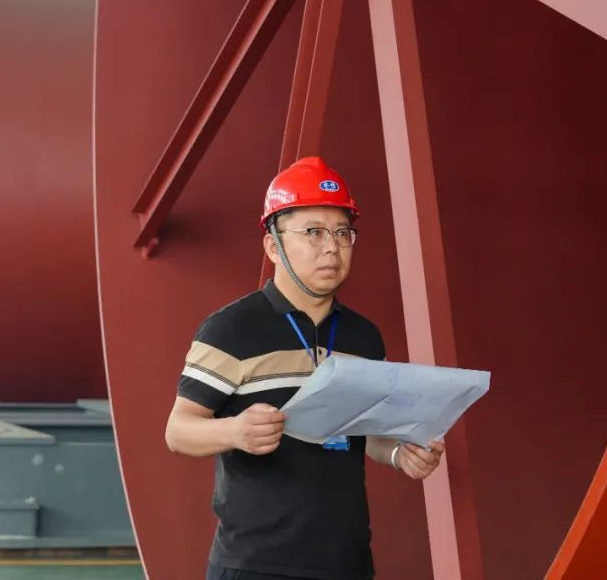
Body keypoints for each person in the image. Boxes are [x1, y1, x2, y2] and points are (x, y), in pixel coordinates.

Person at [165, 156, 445, 580]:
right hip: (255, 564)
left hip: (347, 561)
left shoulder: (363, 338)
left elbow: (365, 433)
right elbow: (178, 431)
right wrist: (236, 431)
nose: (332, 247)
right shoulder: (231, 329)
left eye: (342, 232)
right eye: (313, 232)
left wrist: (398, 453)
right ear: (272, 246)